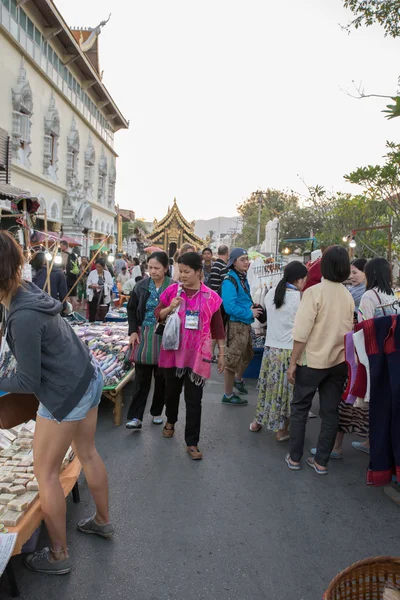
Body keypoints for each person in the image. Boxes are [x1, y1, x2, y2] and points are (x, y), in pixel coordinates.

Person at [0, 231, 113, 575]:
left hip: (64, 392)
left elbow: (28, 382)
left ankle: (58, 555)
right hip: (87, 375)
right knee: (88, 452)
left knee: (44, 472)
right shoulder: (26, 290)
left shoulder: (22, 316)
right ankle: (103, 521)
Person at [285, 245, 354, 475]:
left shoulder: (314, 292)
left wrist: (293, 362)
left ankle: (294, 458)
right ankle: (321, 462)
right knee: (330, 412)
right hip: (338, 362)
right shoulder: (348, 295)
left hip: (312, 361)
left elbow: (301, 333)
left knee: (300, 409)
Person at [155, 252, 225, 460]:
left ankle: (192, 442)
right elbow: (157, 314)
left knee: (194, 400)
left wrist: (222, 352)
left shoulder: (211, 297)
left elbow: (217, 327)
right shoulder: (172, 291)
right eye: (180, 271)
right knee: (171, 393)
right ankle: (171, 420)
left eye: (186, 272)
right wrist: (170, 307)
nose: (182, 275)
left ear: (198, 272)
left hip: (197, 356)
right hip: (173, 352)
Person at [331, 257, 397, 458]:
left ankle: (335, 447)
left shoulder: (369, 296)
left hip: (367, 358)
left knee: (347, 400)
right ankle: (371, 443)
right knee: (378, 405)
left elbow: (364, 329)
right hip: (387, 359)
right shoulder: (391, 295)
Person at [250, 261, 308, 440]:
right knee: (287, 394)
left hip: (271, 350)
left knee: (269, 388)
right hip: (289, 352)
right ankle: (282, 430)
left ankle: (258, 421)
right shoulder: (300, 299)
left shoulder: (271, 294)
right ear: (299, 279)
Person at [126, 252, 174, 430]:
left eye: (157, 268)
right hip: (144, 335)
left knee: (162, 378)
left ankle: (156, 412)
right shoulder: (141, 286)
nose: (152, 271)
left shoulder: (174, 287)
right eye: (150, 268)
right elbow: (131, 310)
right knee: (141, 378)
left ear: (166, 268)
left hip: (166, 336)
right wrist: (132, 331)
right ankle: (135, 417)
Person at [221, 248, 263, 406]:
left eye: (247, 259)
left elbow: (242, 300)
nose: (246, 262)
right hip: (236, 325)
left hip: (245, 324)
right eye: (242, 259)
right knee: (232, 361)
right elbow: (229, 307)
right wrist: (249, 312)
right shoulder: (229, 280)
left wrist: (252, 307)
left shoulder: (241, 278)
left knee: (247, 355)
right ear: (233, 262)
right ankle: (228, 394)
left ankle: (237, 380)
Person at [60, 240, 79, 310]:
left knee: (68, 295)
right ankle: (74, 308)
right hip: (74, 276)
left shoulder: (65, 254)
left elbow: (63, 265)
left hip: (68, 277)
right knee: (72, 295)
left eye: (61, 246)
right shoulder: (74, 255)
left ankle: (70, 309)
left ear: (65, 246)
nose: (60, 247)